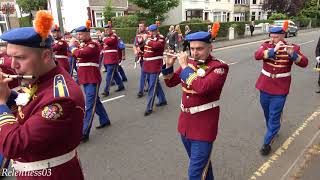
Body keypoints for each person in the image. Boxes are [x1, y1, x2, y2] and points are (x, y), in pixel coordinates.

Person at [0, 10, 85, 179]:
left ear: (46, 56)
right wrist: (9, 95)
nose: (13, 65)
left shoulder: (62, 97)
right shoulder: (39, 78)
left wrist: (1, 102)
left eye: (20, 58)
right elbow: (28, 108)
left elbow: (14, 145)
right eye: (10, 57)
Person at [162, 31, 229, 180]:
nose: (194, 52)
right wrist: (168, 65)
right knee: (203, 168)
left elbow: (203, 88)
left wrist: (185, 66)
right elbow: (170, 82)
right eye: (192, 49)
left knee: (195, 174)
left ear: (210, 47)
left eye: (199, 49)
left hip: (204, 128)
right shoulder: (190, 63)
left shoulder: (218, 67)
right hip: (185, 125)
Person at [254, 21, 308, 156]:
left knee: (274, 116)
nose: (273, 39)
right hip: (265, 85)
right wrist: (273, 50)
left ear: (283, 36)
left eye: (276, 37)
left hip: (280, 88)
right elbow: (257, 55)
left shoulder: (293, 47)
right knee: (267, 112)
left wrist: (293, 55)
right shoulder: (266, 45)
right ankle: (272, 129)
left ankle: (267, 143)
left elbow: (305, 63)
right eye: (272, 36)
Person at [70, 20, 111, 142]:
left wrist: (72, 47)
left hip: (92, 78)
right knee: (95, 102)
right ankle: (105, 119)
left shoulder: (92, 45)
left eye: (81, 34)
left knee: (89, 105)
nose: (78, 36)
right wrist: (74, 49)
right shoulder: (82, 45)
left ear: (87, 34)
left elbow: (81, 53)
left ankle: (84, 132)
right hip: (85, 78)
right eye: (77, 34)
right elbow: (74, 55)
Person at [143, 24, 167, 116]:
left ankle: (149, 107)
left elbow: (157, 46)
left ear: (157, 30)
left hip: (155, 65)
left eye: (153, 31)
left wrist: (147, 41)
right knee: (155, 84)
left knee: (152, 86)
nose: (151, 32)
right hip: (148, 65)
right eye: (150, 31)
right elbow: (142, 46)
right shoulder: (149, 38)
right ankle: (162, 100)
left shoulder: (160, 38)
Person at [101, 24, 125, 97]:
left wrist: (103, 38)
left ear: (111, 29)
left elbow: (109, 42)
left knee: (109, 76)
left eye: (107, 29)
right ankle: (121, 85)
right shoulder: (107, 37)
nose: (106, 31)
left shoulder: (114, 36)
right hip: (107, 59)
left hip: (112, 59)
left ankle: (106, 90)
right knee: (115, 74)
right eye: (105, 30)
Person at [133, 22, 148, 98]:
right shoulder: (137, 35)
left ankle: (141, 91)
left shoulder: (147, 35)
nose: (140, 28)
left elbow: (147, 44)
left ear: (144, 27)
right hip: (140, 57)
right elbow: (134, 44)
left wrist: (142, 44)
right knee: (144, 72)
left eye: (141, 26)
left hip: (147, 57)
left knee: (143, 73)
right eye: (139, 26)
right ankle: (146, 86)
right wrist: (135, 50)